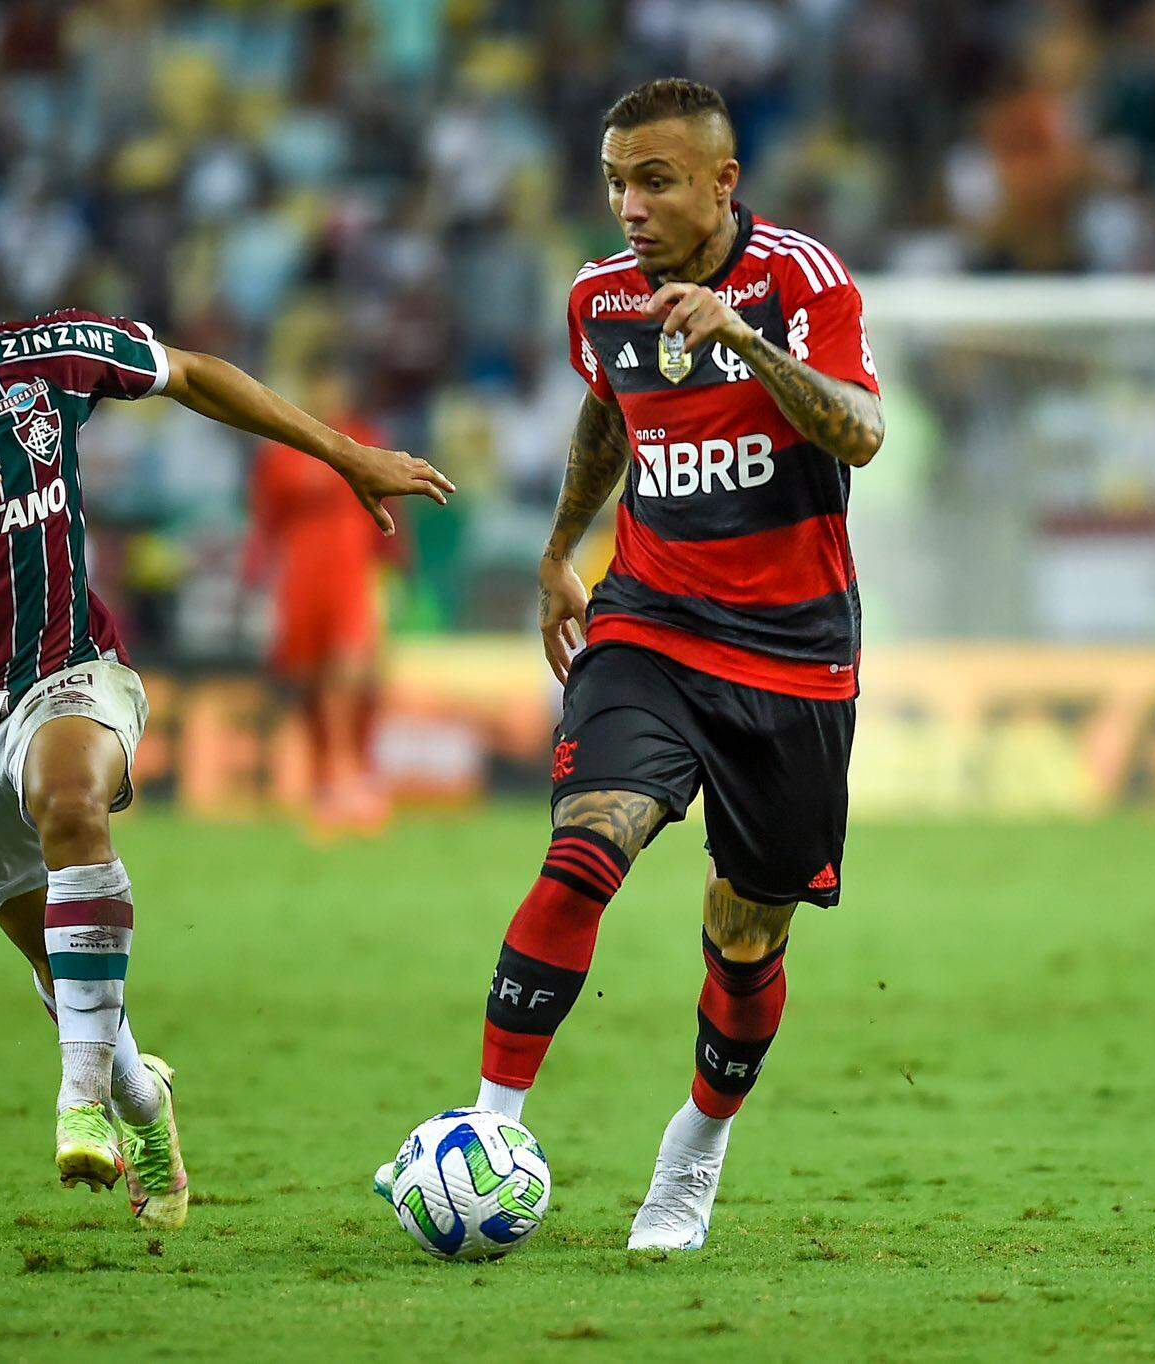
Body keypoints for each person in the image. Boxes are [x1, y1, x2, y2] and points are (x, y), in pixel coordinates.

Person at [0, 188, 453, 1226]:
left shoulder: (46, 357)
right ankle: (137, 1097)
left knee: (71, 796)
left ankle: (76, 1099)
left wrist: (341, 452)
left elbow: (192, 372)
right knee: (74, 985)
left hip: (72, 671)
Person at [379, 78, 883, 1250]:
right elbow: (609, 411)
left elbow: (857, 430)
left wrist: (744, 340)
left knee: (745, 933)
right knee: (584, 843)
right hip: (648, 621)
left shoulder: (800, 280)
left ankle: (693, 1150)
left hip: (795, 659)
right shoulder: (599, 297)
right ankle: (489, 1127)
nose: (628, 205)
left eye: (653, 179)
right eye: (614, 180)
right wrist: (561, 549)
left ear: (722, 180)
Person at [242, 355, 399, 834]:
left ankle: (354, 777)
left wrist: (394, 576)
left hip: (353, 573)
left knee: (351, 677)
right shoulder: (282, 454)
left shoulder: (368, 442)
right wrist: (255, 582)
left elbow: (394, 515)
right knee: (310, 684)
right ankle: (325, 783)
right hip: (302, 578)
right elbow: (265, 523)